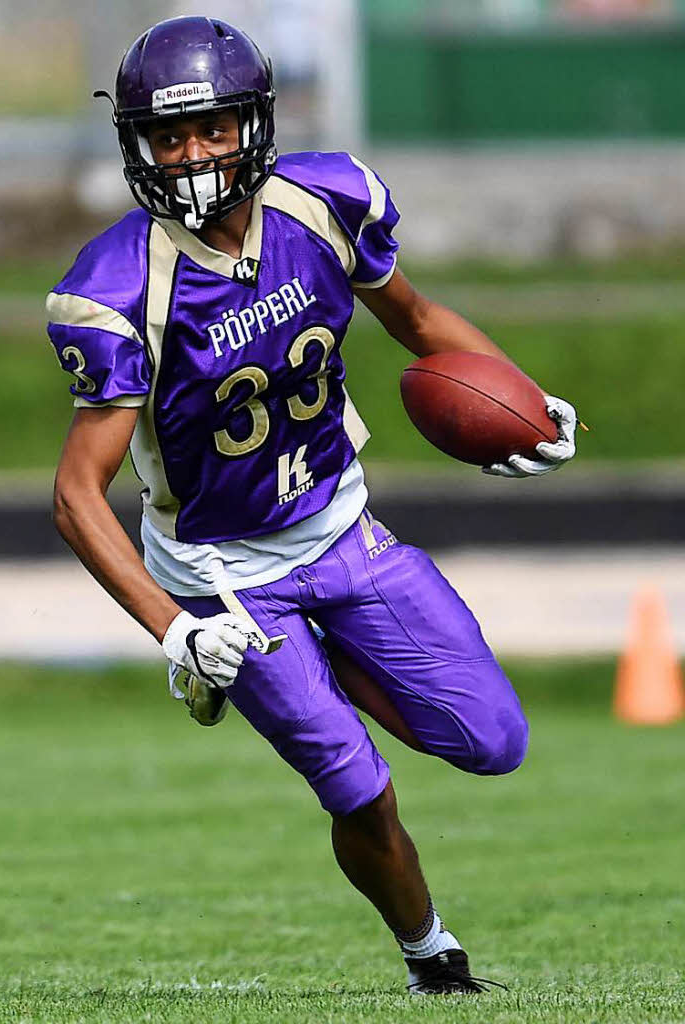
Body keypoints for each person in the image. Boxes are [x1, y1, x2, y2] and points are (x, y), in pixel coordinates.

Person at [47, 16, 578, 995]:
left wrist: (523, 401)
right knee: (356, 784)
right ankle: (435, 961)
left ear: (254, 124)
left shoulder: (326, 202)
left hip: (343, 529)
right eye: (170, 136)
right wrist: (174, 631)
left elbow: (417, 321)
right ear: (137, 146)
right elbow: (78, 495)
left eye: (212, 128)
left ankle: (309, 666)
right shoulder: (120, 285)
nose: (194, 154)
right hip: (226, 573)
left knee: (493, 740)